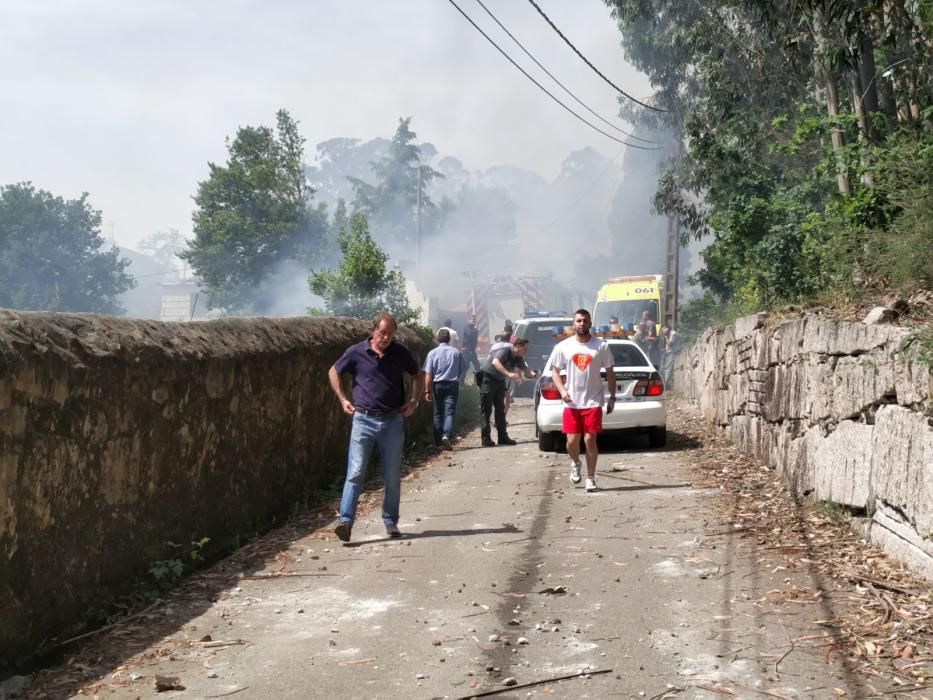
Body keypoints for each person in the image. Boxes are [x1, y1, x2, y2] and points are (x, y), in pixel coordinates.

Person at [328, 312, 424, 542]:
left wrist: (414, 401)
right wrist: (342, 399)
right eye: (382, 333)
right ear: (372, 331)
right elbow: (333, 371)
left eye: (390, 334)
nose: (386, 338)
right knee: (356, 472)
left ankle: (390, 521)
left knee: (392, 474)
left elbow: (418, 376)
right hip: (363, 420)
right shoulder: (356, 352)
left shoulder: (400, 352)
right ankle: (346, 522)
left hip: (392, 420)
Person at [550, 309, 616, 493]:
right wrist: (562, 390)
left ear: (590, 323)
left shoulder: (601, 346)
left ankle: (591, 478)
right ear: (573, 324)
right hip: (571, 402)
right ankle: (575, 462)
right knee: (571, 442)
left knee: (590, 440)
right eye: (578, 320)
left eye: (585, 321)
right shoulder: (563, 347)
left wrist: (612, 397)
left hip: (593, 401)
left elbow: (610, 373)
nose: (582, 324)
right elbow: (555, 372)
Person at [476, 337, 536, 447]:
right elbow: (495, 362)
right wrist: (509, 374)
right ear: (517, 346)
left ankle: (503, 437)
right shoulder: (505, 351)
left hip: (499, 381)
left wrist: (537, 376)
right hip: (487, 379)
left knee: (500, 409)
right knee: (487, 409)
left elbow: (527, 373)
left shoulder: (519, 357)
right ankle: (486, 439)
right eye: (525, 349)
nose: (526, 351)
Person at [423, 328, 466, 450]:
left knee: (438, 413)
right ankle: (446, 435)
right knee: (450, 412)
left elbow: (428, 373)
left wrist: (427, 390)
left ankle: (438, 443)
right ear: (449, 339)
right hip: (452, 384)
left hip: (438, 385)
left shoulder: (432, 353)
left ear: (438, 339)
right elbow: (463, 368)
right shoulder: (457, 353)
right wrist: (458, 377)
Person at [660, 322, 682, 388]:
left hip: (673, 353)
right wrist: (664, 349)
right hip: (670, 352)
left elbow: (670, 344)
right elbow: (669, 346)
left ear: (667, 328)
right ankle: (666, 383)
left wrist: (666, 336)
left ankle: (666, 384)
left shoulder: (673, 333)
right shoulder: (670, 334)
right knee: (664, 368)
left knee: (667, 369)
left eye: (663, 329)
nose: (662, 331)